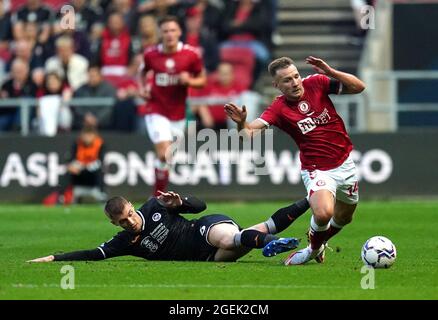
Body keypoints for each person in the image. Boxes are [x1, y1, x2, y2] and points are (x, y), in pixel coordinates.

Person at [225, 56, 365, 265]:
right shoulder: (278, 108)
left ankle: (318, 238)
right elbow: (247, 135)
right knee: (324, 212)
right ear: (277, 85)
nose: (295, 83)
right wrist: (242, 123)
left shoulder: (316, 83)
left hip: (345, 163)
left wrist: (330, 71)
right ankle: (313, 249)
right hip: (317, 169)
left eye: (296, 76)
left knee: (344, 218)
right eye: (287, 80)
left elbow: (358, 87)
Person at [28, 191, 310, 263]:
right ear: (114, 224)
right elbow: (93, 254)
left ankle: (269, 243)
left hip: (204, 229)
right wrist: (55, 257)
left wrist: (181, 203)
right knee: (261, 228)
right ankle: (312, 200)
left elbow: (200, 206)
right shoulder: (123, 242)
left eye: (129, 214)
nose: (129, 221)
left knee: (229, 238)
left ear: (131, 204)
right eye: (122, 222)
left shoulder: (155, 205)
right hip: (206, 257)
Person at [138, 15, 207, 197]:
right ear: (160, 33)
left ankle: (157, 195)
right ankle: (156, 197)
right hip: (156, 109)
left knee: (167, 159)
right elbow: (142, 72)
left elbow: (202, 80)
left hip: (178, 113)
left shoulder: (191, 54)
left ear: (180, 32)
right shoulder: (151, 54)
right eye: (165, 31)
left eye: (173, 30)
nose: (169, 34)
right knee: (164, 153)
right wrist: (143, 87)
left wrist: (190, 81)